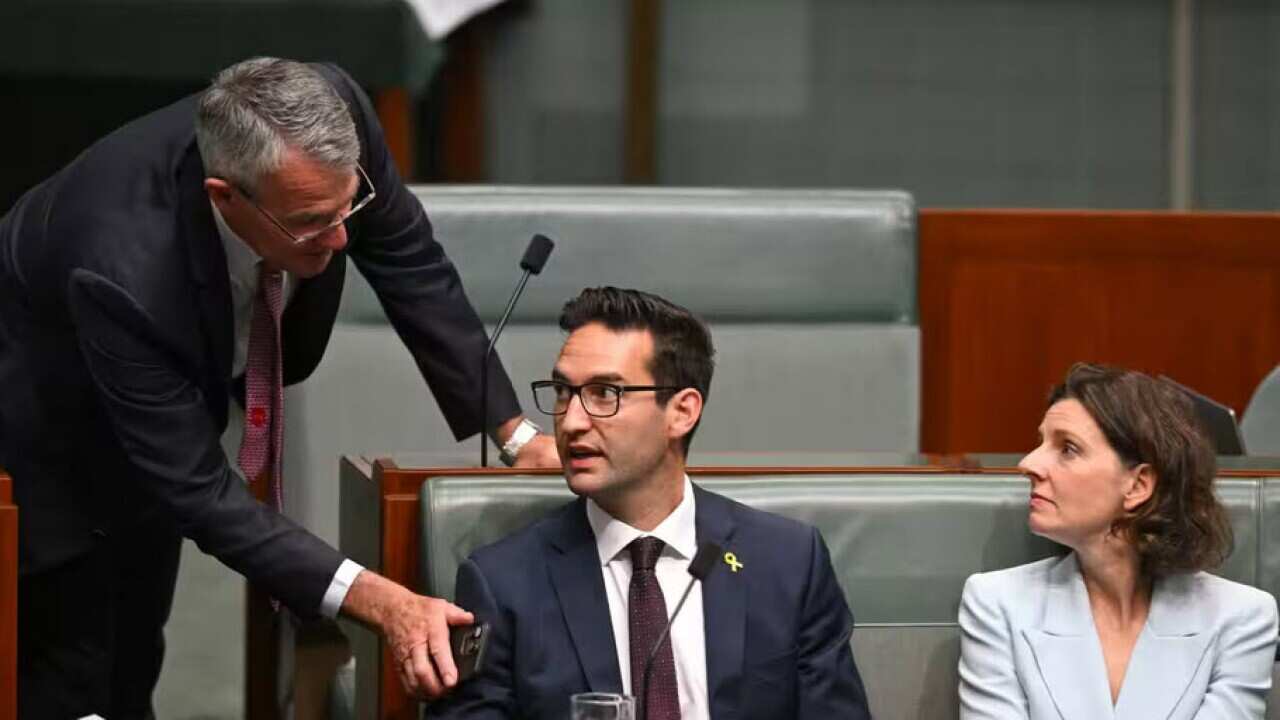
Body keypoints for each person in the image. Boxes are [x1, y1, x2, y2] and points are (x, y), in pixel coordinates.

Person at [0, 57, 559, 718]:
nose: (342, 235)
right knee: (72, 667)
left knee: (131, 657)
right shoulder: (122, 266)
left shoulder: (331, 116)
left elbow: (408, 262)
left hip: (164, 402)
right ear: (224, 196)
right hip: (42, 433)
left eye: (346, 205)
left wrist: (518, 434)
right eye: (312, 221)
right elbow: (200, 494)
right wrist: (381, 601)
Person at [427, 287, 872, 720]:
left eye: (605, 393)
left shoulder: (788, 563)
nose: (571, 421)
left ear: (682, 411)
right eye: (563, 392)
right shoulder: (503, 584)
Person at [958, 363, 1278, 719]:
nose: (1028, 463)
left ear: (1138, 486)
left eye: (1068, 449)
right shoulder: (997, 603)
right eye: (1041, 443)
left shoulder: (1242, 618)